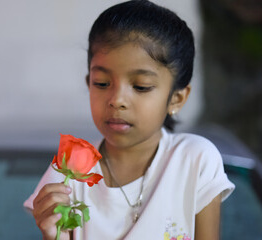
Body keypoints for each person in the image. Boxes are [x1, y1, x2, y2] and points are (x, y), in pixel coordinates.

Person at [24, 1, 235, 239]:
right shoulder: (68, 171)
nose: (117, 100)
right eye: (102, 83)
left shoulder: (195, 160)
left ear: (176, 99)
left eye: (141, 87)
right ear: (88, 83)